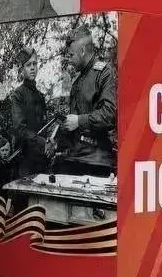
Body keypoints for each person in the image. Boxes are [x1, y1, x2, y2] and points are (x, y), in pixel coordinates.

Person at [50, 25, 117, 173]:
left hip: (97, 161)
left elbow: (109, 115)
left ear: (82, 51)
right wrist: (58, 138)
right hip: (76, 158)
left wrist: (79, 121)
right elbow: (73, 125)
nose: (69, 60)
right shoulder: (77, 82)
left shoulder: (104, 73)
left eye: (71, 55)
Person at [6, 47, 49, 182]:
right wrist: (43, 142)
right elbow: (20, 129)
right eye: (28, 65)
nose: (32, 68)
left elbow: (44, 127)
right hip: (24, 161)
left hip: (41, 160)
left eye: (34, 64)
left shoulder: (40, 96)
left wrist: (50, 142)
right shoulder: (18, 95)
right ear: (22, 69)